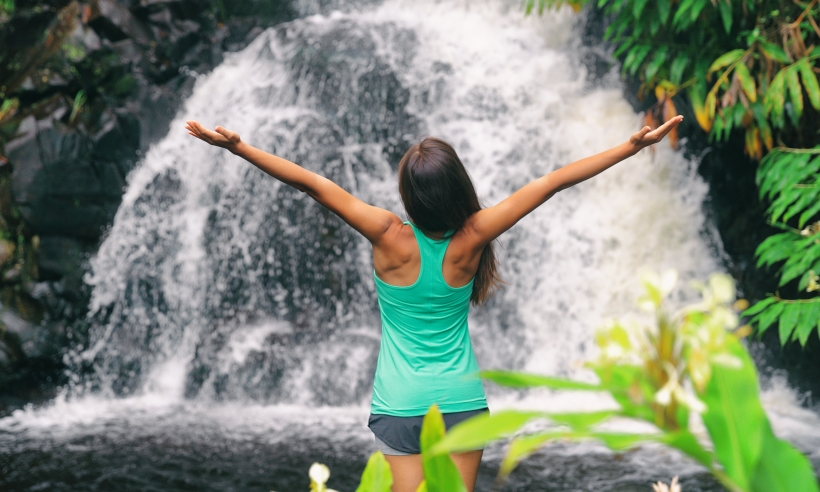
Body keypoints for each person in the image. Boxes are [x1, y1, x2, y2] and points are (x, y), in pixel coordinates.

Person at [185, 114, 683, 492]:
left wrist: (240, 147)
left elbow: (312, 184)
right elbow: (551, 182)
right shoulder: (474, 236)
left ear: (410, 194)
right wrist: (629, 147)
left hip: (400, 404)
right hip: (461, 402)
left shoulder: (385, 234)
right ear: (458, 187)